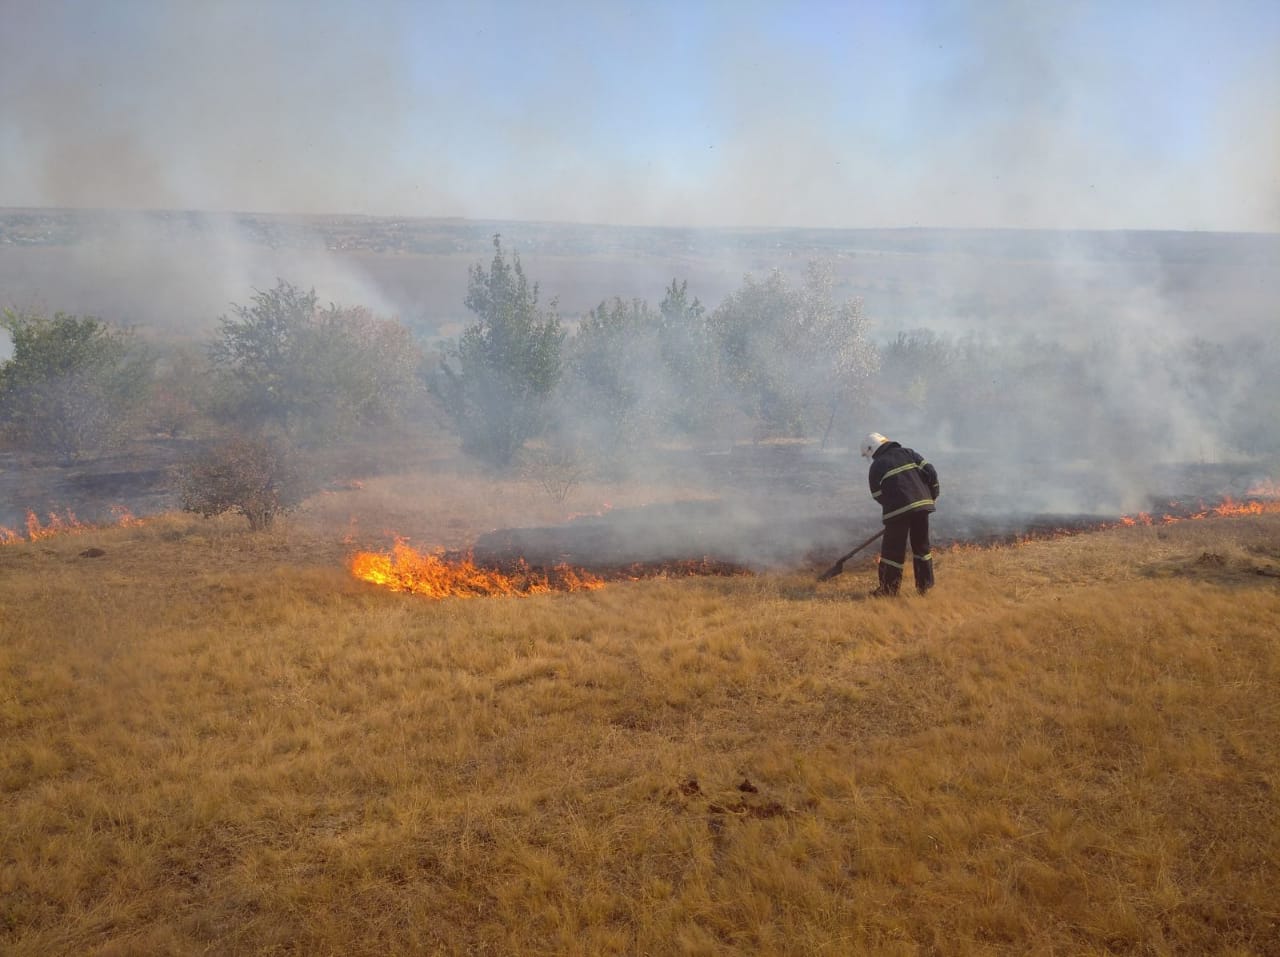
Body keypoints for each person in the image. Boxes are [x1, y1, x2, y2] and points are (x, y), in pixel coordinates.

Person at [861, 431, 940, 596]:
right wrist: (932, 495)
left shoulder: (876, 466)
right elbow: (930, 471)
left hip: (897, 511)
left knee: (892, 552)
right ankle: (925, 587)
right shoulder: (908, 452)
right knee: (922, 547)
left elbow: (877, 494)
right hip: (922, 507)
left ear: (872, 449)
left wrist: (893, 507)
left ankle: (888, 590)